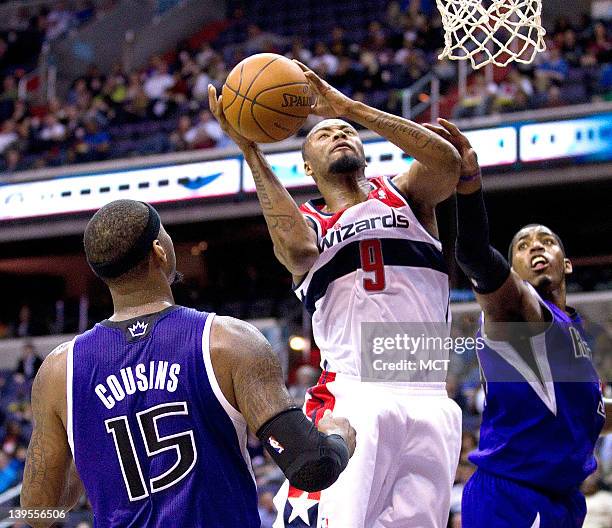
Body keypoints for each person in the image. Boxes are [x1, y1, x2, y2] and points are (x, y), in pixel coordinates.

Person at [209, 59, 463, 528]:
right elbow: (296, 249)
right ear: (306, 165)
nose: (339, 134)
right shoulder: (310, 223)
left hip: (431, 398)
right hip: (355, 395)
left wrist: (352, 108)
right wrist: (251, 152)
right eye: (323, 135)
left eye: (346, 131)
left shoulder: (407, 194)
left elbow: (449, 164)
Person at [20, 200, 355, 528]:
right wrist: (338, 437)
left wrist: (90, 451)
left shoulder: (59, 370)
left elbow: (37, 513)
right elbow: (311, 465)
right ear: (159, 251)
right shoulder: (228, 342)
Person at [423, 119, 610, 527]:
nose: (536, 248)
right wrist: (469, 183)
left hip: (560, 499)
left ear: (568, 263)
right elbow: (474, 254)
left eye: (546, 242)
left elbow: (587, 409)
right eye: (523, 247)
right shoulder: (521, 312)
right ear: (516, 271)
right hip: (513, 494)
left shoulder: (572, 333)